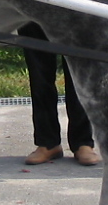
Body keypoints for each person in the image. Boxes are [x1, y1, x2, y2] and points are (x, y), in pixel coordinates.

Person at [20, 23, 101, 166]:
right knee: (39, 73)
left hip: (76, 4)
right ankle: (47, 143)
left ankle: (83, 142)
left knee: (79, 70)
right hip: (36, 4)